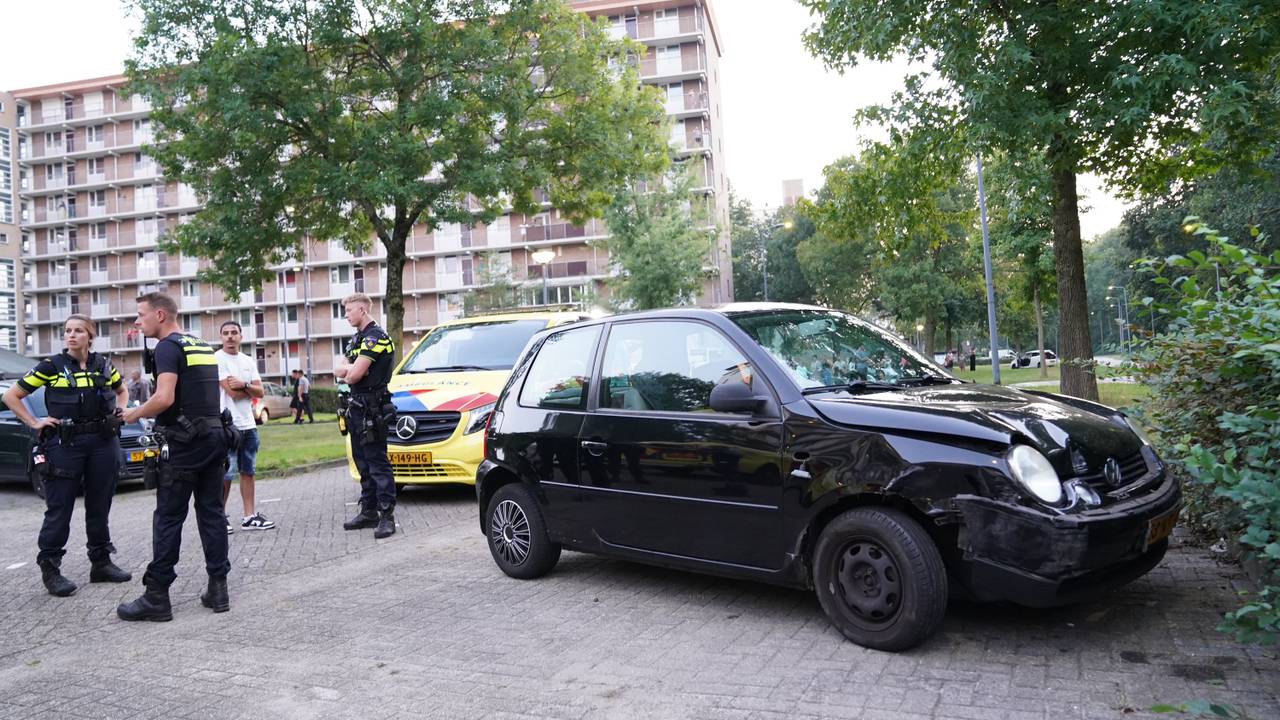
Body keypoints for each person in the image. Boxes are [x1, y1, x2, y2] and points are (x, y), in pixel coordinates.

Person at [117, 292, 233, 622]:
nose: (137, 322)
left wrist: (133, 413)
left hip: (184, 445)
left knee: (168, 518)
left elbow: (165, 397)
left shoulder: (167, 347)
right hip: (214, 440)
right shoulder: (199, 345)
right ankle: (218, 589)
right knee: (212, 514)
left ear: (161, 315)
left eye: (141, 315)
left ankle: (157, 597)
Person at [2, 314, 132, 597]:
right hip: (65, 445)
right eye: (67, 331)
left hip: (102, 442)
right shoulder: (51, 367)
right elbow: (11, 396)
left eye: (78, 331)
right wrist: (35, 422)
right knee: (60, 507)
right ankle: (50, 568)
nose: (71, 336)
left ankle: (101, 562)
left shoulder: (104, 365)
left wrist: (119, 411)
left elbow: (122, 391)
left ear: (90, 336)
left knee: (100, 504)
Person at [334, 293, 397, 539]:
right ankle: (369, 511)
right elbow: (339, 369)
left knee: (377, 463)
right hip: (357, 408)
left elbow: (351, 376)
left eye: (349, 310)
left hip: (374, 408)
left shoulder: (376, 338)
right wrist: (353, 369)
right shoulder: (358, 339)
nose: (346, 315)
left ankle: (387, 516)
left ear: (362, 309)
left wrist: (351, 371)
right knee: (362, 462)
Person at [215, 320, 274, 533]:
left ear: (241, 336)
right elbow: (231, 392)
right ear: (221, 337)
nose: (230, 336)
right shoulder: (217, 359)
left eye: (234, 333)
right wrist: (248, 388)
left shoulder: (248, 360)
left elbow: (261, 392)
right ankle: (219, 517)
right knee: (226, 473)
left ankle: (249, 517)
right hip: (227, 425)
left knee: (248, 471)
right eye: (226, 333)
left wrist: (245, 385)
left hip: (249, 425)